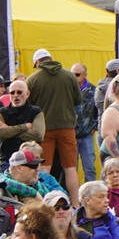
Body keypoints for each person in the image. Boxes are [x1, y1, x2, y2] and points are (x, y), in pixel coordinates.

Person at [23, 48, 82, 198]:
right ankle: (75, 202)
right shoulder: (69, 76)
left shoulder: (32, 79)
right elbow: (78, 101)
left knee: (44, 168)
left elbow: (28, 106)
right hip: (67, 128)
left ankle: (45, 201)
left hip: (44, 129)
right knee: (70, 168)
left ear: (37, 62)